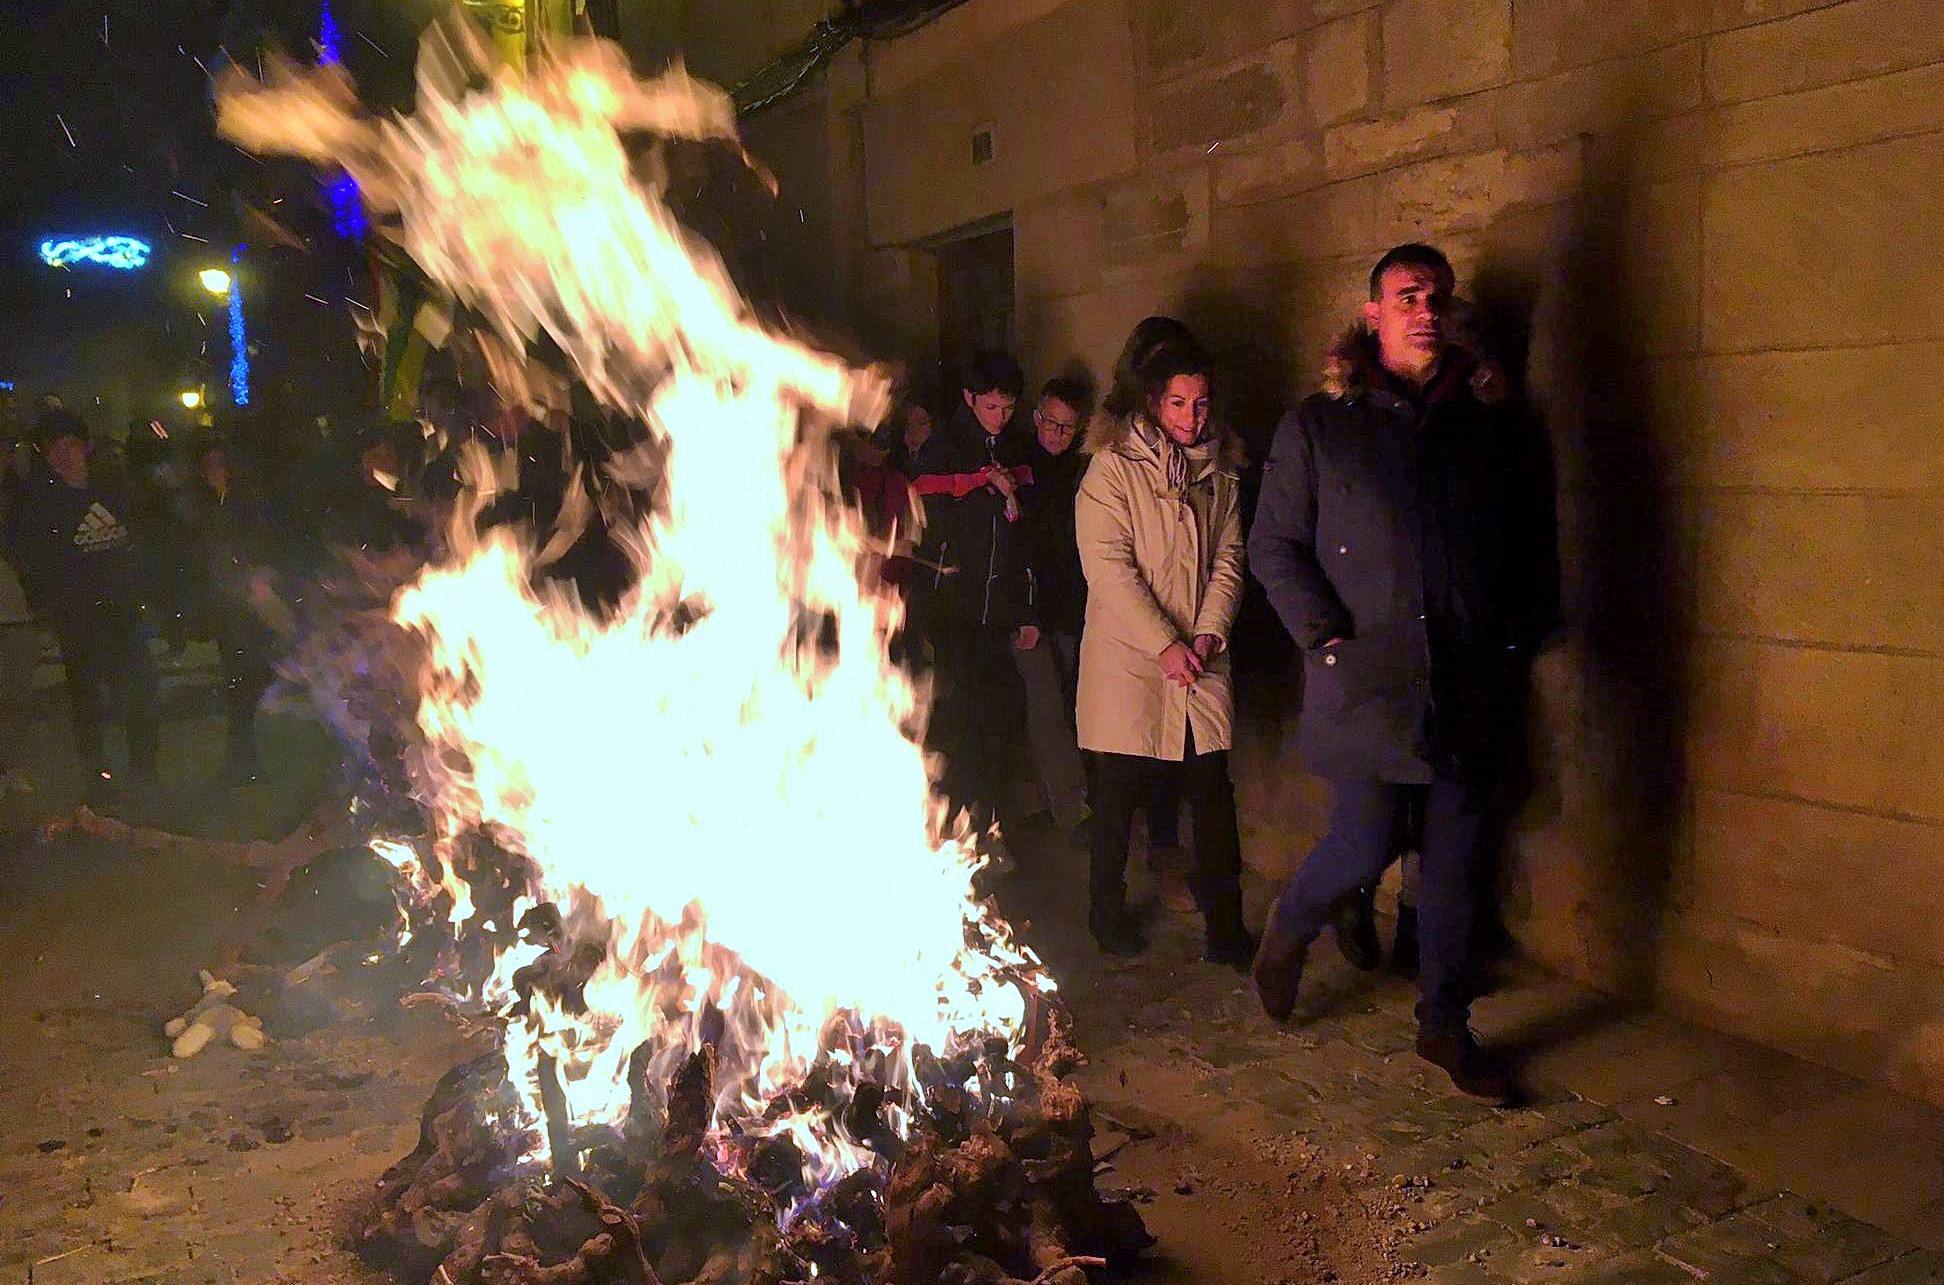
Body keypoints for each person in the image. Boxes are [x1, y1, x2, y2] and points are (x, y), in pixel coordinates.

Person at [1248, 243, 1558, 1104]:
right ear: (1374, 313)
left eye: (1437, 296)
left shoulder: (1484, 422)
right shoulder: (1320, 424)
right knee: (1367, 837)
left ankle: (1444, 1024)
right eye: (1406, 294)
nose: (1425, 308)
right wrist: (1326, 636)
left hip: (1467, 674)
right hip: (1367, 673)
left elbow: (1529, 534)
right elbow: (1273, 546)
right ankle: (1293, 922)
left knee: (1458, 854)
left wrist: (1517, 632)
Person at [1075, 334, 1250, 965]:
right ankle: (1105, 910)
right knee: (1118, 796)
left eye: (1201, 404)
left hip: (1200, 658)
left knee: (1212, 790)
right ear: (1152, 402)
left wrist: (1209, 628)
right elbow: (1108, 567)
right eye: (1178, 403)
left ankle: (1227, 926)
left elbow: (1230, 555)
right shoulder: (1112, 468)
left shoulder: (1221, 470)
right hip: (1130, 661)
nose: (1192, 417)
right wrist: (1163, 643)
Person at [908, 350, 1038, 870]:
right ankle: (948, 831)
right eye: (990, 406)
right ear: (969, 399)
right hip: (950, 610)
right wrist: (980, 482)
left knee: (997, 719)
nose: (999, 417)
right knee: (953, 720)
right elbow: (923, 499)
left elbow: (1027, 532)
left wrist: (1026, 610)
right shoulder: (944, 448)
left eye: (1007, 408)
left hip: (995, 613)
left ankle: (987, 827)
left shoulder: (1015, 447)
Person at [14, 408, 160, 796]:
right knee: (87, 703)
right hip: (77, 617)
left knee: (138, 693)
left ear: (85, 448)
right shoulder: (41, 503)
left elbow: (141, 539)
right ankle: (97, 778)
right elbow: (35, 559)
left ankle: (145, 773)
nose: (64, 456)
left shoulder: (113, 490)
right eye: (54, 449)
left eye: (70, 446)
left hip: (122, 611)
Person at [1014, 377, 1092, 844]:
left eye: (1067, 428)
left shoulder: (1080, 473)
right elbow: (1016, 547)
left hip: (1070, 608)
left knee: (1061, 705)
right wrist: (1025, 612)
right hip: (1029, 612)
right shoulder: (1019, 468)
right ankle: (1071, 810)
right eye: (1050, 423)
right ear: (1037, 417)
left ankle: (1047, 798)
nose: (1056, 435)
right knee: (1047, 708)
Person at [182, 436, 283, 783]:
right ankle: (242, 761)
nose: (216, 472)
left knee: (253, 681)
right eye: (209, 466)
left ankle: (247, 759)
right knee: (240, 683)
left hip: (250, 605)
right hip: (226, 609)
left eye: (220, 465)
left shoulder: (245, 502)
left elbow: (259, 543)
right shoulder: (200, 506)